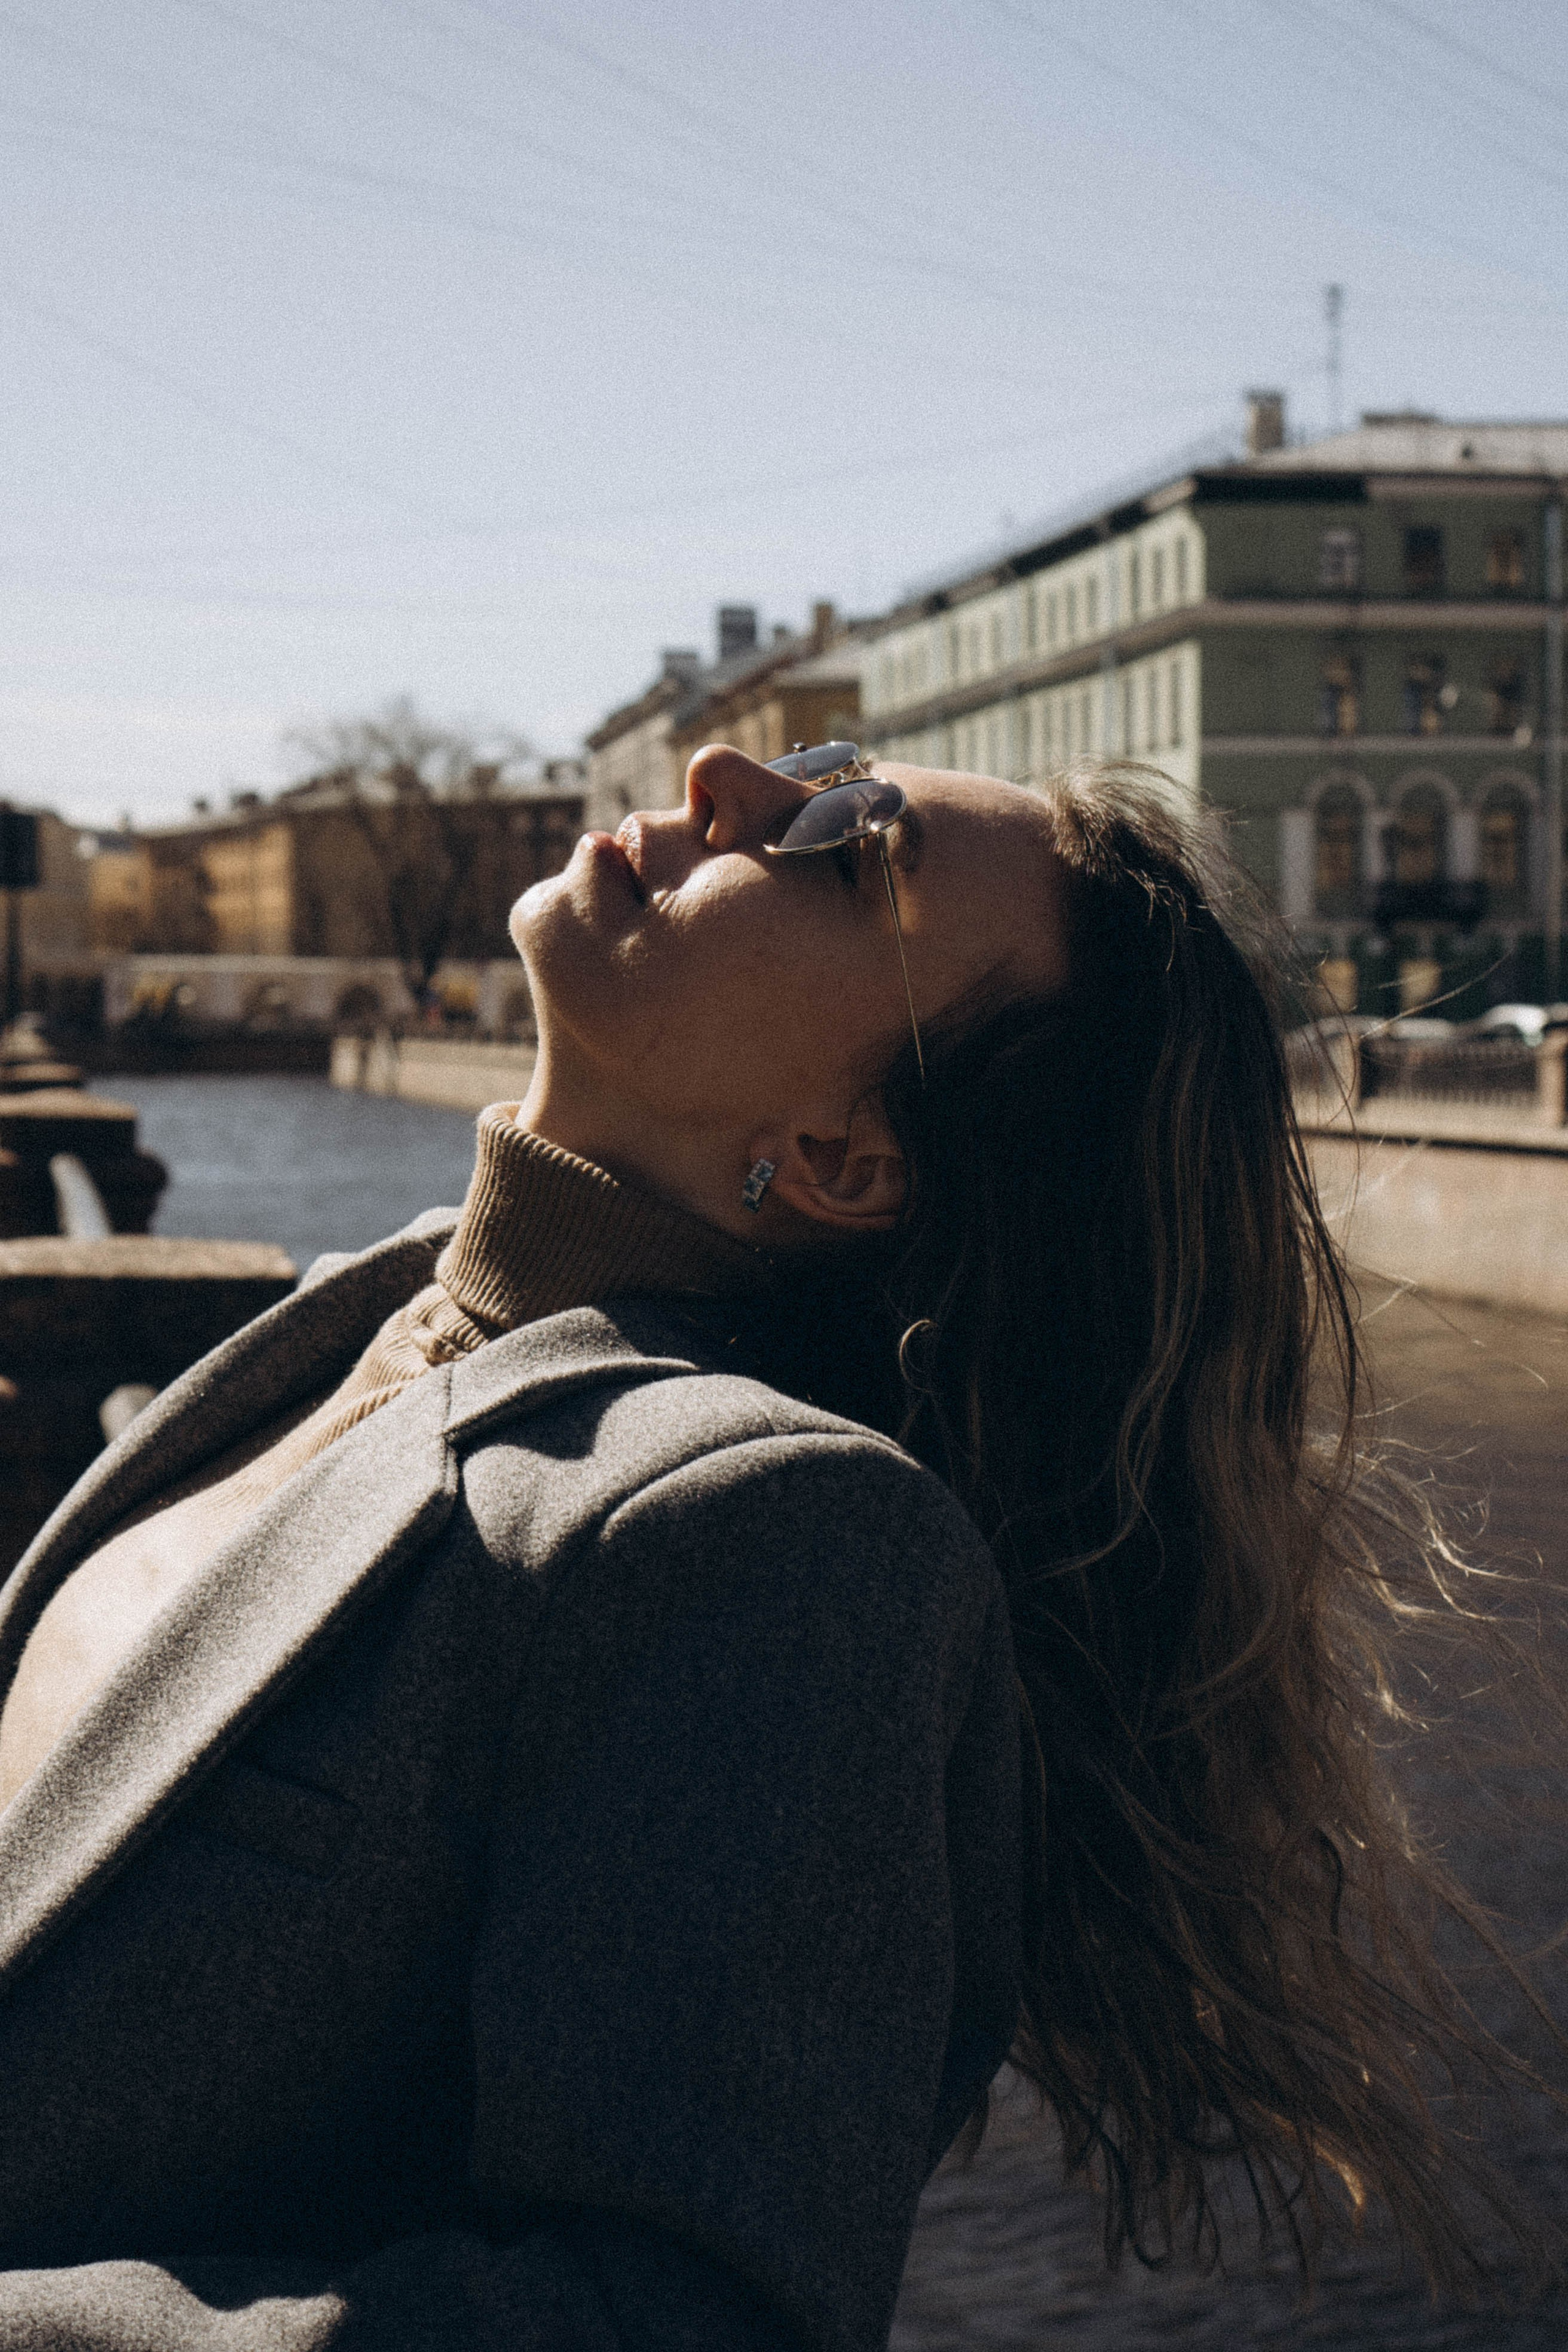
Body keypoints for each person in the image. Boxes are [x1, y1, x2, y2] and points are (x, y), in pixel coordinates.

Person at [0, 746, 1531, 2348]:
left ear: (841, 1160)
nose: (727, 776)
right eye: (815, 773)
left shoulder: (778, 1540)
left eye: (850, 850)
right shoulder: (367, 1313)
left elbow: (683, 2319)